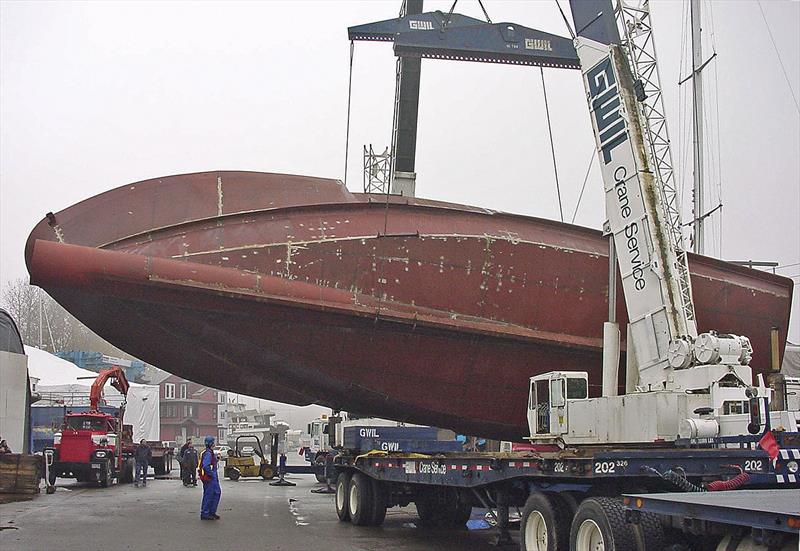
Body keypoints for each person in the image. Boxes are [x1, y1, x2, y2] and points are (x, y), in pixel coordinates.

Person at [199, 435, 221, 520]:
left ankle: (211, 512)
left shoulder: (209, 452)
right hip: (210, 478)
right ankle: (205, 513)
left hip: (211, 477)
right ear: (212, 443)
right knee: (209, 495)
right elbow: (206, 466)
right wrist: (211, 474)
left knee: (216, 493)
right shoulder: (208, 453)